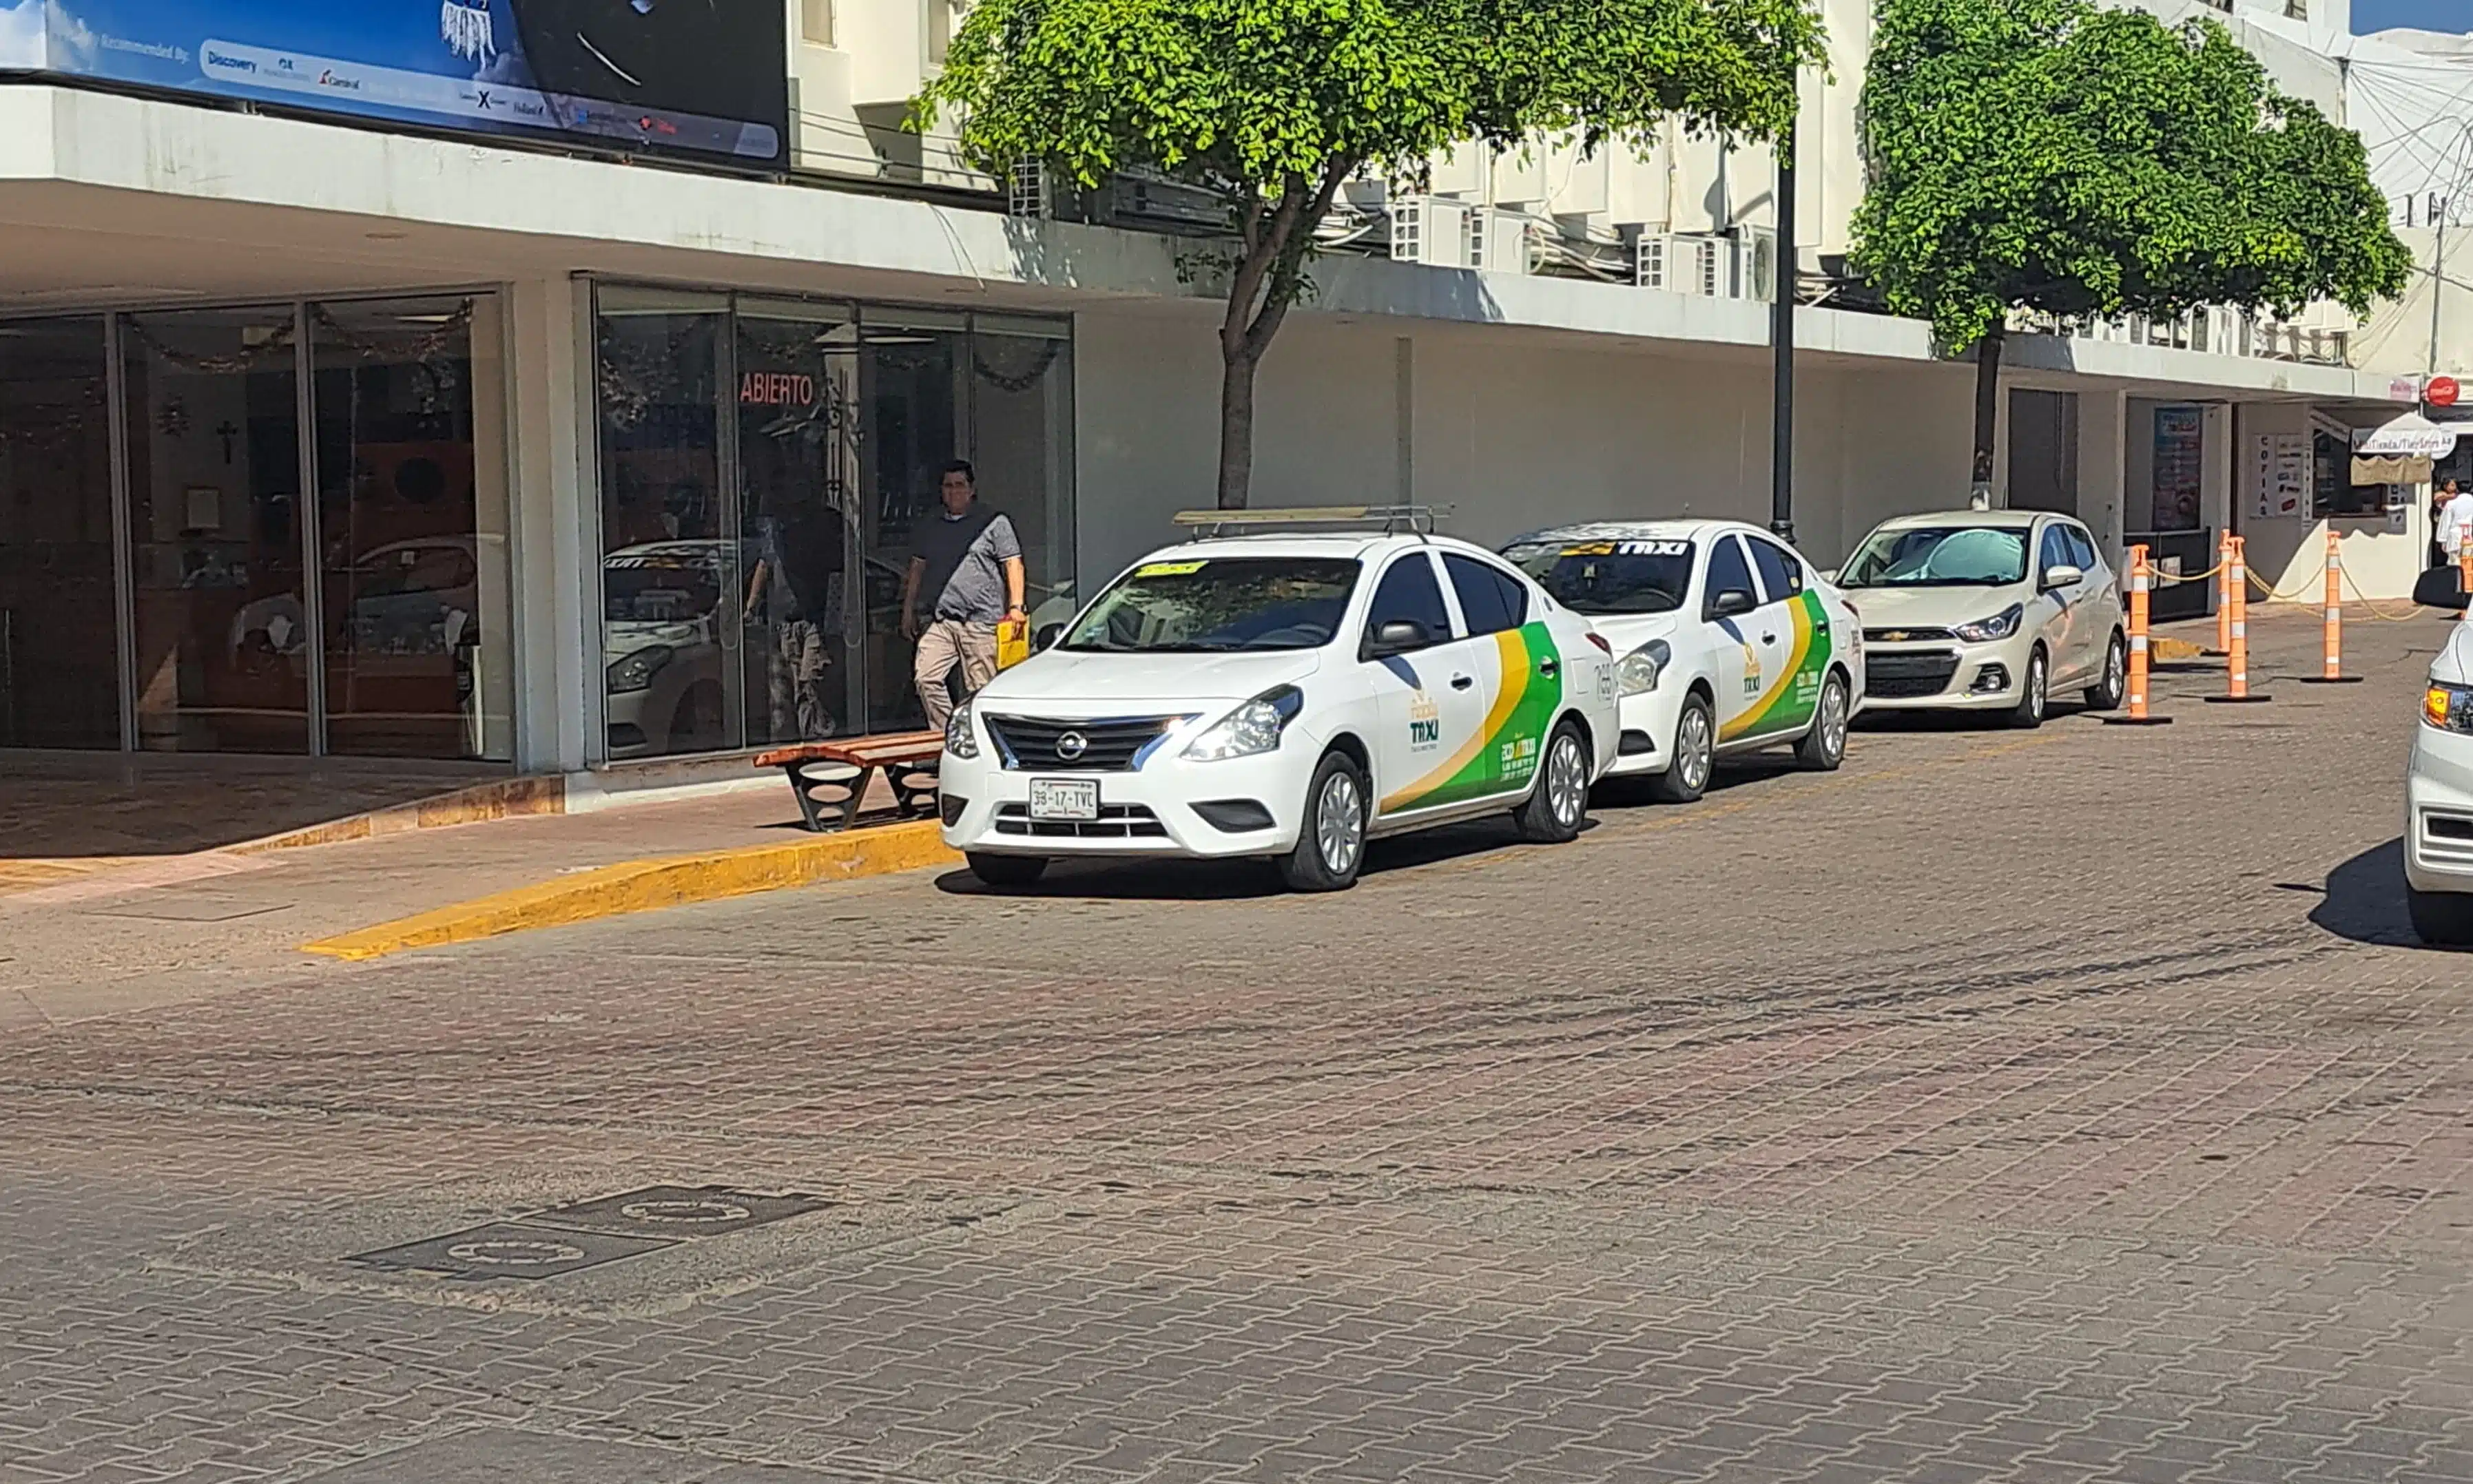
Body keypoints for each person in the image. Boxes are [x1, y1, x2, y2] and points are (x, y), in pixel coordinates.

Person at [902, 461, 1026, 731]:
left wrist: (1016, 607)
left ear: (972, 489)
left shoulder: (993, 522)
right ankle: (950, 738)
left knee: (980, 690)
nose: (954, 492)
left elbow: (1013, 563)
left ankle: (981, 748)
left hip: (981, 622)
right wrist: (908, 609)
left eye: (960, 485)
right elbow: (917, 567)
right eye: (948, 486)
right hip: (942, 620)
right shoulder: (931, 524)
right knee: (926, 678)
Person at [745, 496, 847, 741]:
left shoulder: (821, 543)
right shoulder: (777, 542)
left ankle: (818, 734)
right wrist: (751, 606)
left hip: (815, 622)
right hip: (786, 623)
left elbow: (839, 577)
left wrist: (834, 622)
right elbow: (764, 567)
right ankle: (798, 739)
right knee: (789, 687)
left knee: (810, 679)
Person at [2441, 478, 2473, 578]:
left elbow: (2446, 522)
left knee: (2454, 562)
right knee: (2468, 562)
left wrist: (2443, 540)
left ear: (2458, 490)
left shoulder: (2452, 503)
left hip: (2455, 535)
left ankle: (2455, 585)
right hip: (2469, 534)